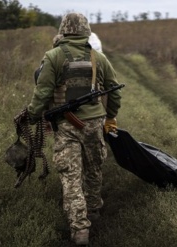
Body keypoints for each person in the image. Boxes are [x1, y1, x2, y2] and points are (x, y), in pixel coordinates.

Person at [26, 12, 122, 244]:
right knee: (93, 170)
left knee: (70, 175)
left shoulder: (53, 57)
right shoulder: (98, 57)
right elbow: (114, 91)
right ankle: (93, 212)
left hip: (66, 126)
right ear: (86, 31)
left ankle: (80, 228)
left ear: (64, 31)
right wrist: (110, 116)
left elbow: (42, 92)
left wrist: (32, 116)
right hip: (95, 124)